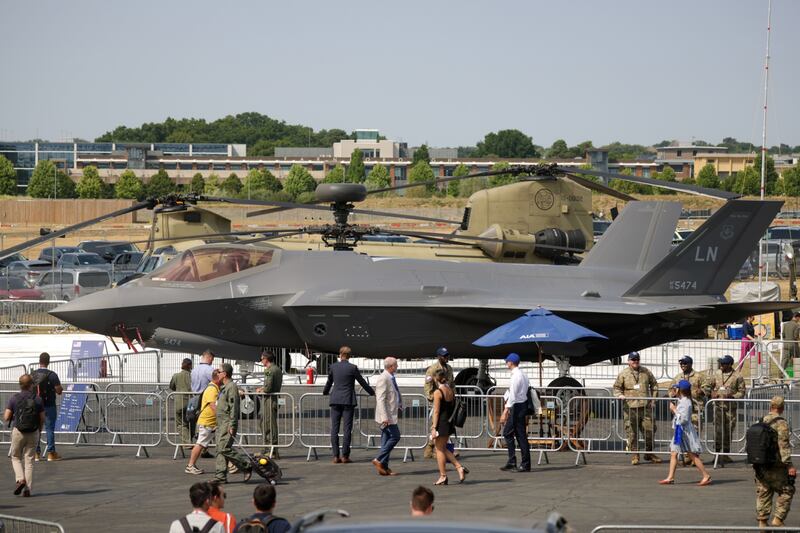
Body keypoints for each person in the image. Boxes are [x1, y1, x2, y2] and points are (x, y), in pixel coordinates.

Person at [322, 346, 375, 463]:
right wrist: (372, 392)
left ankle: (335, 456)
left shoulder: (333, 367)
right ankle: (345, 456)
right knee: (347, 429)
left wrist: (325, 392)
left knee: (334, 429)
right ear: (349, 356)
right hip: (348, 400)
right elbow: (362, 382)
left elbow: (329, 382)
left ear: (340, 355)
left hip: (335, 399)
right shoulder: (352, 368)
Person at [659, 380, 711, 486]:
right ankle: (670, 477)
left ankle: (706, 475)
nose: (675, 389)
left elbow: (683, 419)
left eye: (677, 388)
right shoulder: (682, 400)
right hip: (680, 430)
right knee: (674, 452)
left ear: (681, 390)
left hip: (684, 431)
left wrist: (674, 409)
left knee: (691, 454)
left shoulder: (686, 402)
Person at [613, 351, 661, 465]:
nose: (635, 361)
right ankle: (635, 455)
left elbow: (654, 384)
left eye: (637, 359)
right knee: (632, 433)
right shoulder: (623, 374)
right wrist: (620, 395)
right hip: (630, 408)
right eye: (633, 359)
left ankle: (649, 453)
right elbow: (616, 387)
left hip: (645, 408)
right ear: (628, 361)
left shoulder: (646, 372)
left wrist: (654, 400)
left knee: (649, 431)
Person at [754, 396, 796, 528]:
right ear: (782, 408)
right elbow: (783, 445)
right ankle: (778, 519)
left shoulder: (761, 421)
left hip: (761, 464)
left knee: (764, 491)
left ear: (770, 406)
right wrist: (789, 465)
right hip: (776, 465)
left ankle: (762, 522)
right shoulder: (781, 423)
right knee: (787, 490)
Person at [4, 374, 44, 498]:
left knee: (15, 457)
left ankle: (20, 479)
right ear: (31, 385)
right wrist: (40, 429)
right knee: (29, 461)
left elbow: (6, 417)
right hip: (33, 432)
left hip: (18, 431)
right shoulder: (37, 399)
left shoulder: (14, 398)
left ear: (20, 385)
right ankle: (27, 489)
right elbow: (42, 418)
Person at [214, 363, 252, 484]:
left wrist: (232, 424)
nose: (217, 373)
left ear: (224, 374)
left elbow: (234, 408)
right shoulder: (224, 387)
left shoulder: (231, 387)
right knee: (219, 449)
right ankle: (220, 476)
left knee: (223, 448)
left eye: (219, 371)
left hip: (227, 423)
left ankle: (245, 466)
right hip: (221, 423)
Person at [429, 369, 468, 485]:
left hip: (441, 423)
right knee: (443, 448)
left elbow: (436, 411)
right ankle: (459, 467)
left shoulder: (438, 392)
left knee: (439, 449)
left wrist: (434, 427)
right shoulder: (450, 390)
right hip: (449, 423)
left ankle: (443, 476)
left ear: (436, 379)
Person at [668, 355, 707, 465]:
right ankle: (687, 456)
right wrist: (673, 394)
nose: (683, 365)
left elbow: (707, 388)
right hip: (682, 409)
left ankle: (694, 456)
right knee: (682, 433)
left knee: (694, 432)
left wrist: (700, 392)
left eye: (685, 363)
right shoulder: (678, 377)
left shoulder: (699, 376)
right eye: (681, 364)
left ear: (690, 364)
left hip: (695, 409)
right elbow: (671, 389)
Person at [708, 354, 746, 463]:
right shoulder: (717, 374)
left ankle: (725, 454)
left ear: (730, 364)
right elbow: (708, 385)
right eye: (721, 363)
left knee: (728, 430)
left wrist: (732, 396)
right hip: (718, 407)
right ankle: (717, 453)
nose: (721, 365)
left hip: (730, 408)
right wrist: (712, 393)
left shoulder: (737, 376)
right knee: (718, 431)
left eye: (724, 364)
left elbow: (742, 392)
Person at [499, 353, 531, 472]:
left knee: (510, 433)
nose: (506, 363)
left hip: (517, 406)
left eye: (507, 361)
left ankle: (518, 462)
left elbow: (513, 395)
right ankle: (521, 462)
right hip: (521, 405)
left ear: (511, 362)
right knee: (519, 435)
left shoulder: (516, 376)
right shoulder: (522, 374)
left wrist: (505, 410)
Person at [186, 369, 222, 475]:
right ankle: (190, 466)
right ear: (217, 378)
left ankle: (231, 465)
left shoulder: (215, 387)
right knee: (200, 443)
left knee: (222, 443)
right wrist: (221, 416)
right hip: (207, 422)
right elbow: (213, 405)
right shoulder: (212, 389)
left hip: (211, 422)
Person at [423, 347, 454, 459]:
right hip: (438, 400)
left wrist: (452, 396)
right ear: (439, 357)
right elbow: (428, 386)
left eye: (447, 356)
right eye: (444, 356)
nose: (446, 358)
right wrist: (433, 398)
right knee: (437, 426)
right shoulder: (432, 370)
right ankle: (436, 449)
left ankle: (430, 448)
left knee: (443, 426)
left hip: (447, 402)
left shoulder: (449, 369)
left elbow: (452, 384)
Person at [372, 356, 401, 476]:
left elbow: (393, 394)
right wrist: (384, 417)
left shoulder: (390, 377)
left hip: (391, 414)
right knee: (395, 436)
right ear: (390, 367)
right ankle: (378, 459)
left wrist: (399, 403)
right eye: (395, 365)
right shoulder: (384, 378)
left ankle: (383, 467)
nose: (397, 367)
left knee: (385, 440)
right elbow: (380, 399)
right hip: (387, 416)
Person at [31, 352, 63, 461]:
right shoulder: (52, 375)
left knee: (36, 429)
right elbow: (59, 390)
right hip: (49, 405)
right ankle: (51, 453)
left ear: (39, 361)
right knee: (50, 429)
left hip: (36, 405)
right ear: (48, 362)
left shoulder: (33, 374)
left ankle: (36, 453)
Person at [257, 351, 283, 459]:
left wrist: (260, 390)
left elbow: (268, 387)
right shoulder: (277, 369)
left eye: (262, 358)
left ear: (266, 359)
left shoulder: (269, 370)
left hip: (269, 400)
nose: (261, 360)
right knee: (267, 424)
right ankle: (269, 449)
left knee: (268, 425)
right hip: (273, 400)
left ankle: (271, 450)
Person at [170, 357, 194, 445]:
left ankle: (186, 442)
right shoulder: (192, 376)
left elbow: (172, 386)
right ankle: (192, 440)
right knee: (192, 422)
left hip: (179, 402)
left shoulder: (176, 376)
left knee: (181, 423)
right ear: (190, 366)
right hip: (191, 402)